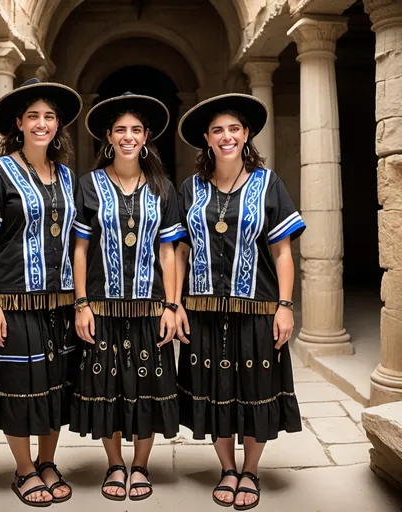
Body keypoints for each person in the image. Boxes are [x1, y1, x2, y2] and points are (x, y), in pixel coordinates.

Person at [175, 93, 305, 510]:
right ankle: (227, 468)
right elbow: (178, 251)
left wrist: (286, 306)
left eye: (234, 128)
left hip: (257, 307)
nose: (226, 136)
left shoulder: (269, 183)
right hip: (203, 310)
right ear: (206, 140)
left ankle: (250, 470)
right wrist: (175, 304)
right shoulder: (190, 188)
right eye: (218, 130)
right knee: (214, 390)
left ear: (246, 134)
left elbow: (283, 251)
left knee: (255, 389)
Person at [0, 78, 82, 507]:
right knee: (19, 386)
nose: (41, 124)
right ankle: (24, 469)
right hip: (15, 299)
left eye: (49, 117)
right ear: (18, 123)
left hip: (61, 301)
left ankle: (48, 462)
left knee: (55, 385)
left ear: (58, 125)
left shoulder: (67, 176)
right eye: (33, 116)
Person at [69, 93, 185, 502]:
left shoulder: (163, 187)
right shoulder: (89, 184)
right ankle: (115, 464)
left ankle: (141, 465)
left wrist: (172, 304)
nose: (128, 136)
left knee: (148, 387)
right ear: (108, 136)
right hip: (102, 306)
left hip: (151, 306)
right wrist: (81, 303)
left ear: (147, 136)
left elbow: (169, 250)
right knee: (108, 387)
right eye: (121, 130)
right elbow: (80, 249)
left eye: (136, 129)